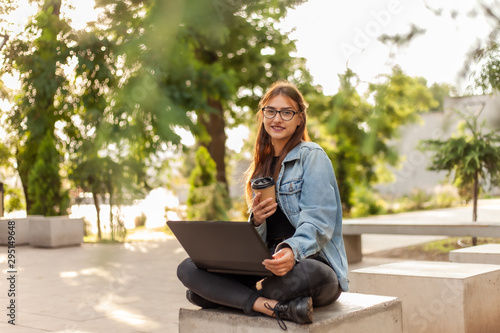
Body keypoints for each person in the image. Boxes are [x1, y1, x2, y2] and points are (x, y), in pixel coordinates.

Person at [177, 80, 349, 330]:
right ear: (263, 115)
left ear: (300, 118)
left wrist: (291, 251)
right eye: (270, 110)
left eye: (286, 112)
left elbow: (319, 222)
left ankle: (227, 295)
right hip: (267, 264)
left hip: (311, 264)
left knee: (202, 293)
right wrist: (256, 221)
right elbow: (260, 237)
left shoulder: (312, 156)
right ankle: (270, 306)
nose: (277, 118)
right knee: (188, 267)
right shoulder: (262, 166)